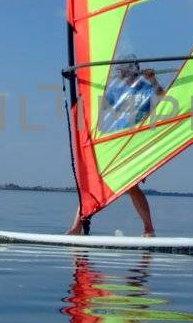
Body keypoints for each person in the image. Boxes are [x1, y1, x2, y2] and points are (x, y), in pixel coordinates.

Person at [68, 55, 162, 236]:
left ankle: (149, 229)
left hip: (134, 144)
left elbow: (163, 96)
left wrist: (153, 79)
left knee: (131, 187)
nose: (119, 73)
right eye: (118, 71)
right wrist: (88, 85)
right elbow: (97, 106)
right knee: (90, 182)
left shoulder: (145, 88)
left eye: (122, 70)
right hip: (113, 141)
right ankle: (76, 228)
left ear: (130, 70)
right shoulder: (116, 90)